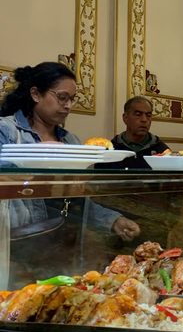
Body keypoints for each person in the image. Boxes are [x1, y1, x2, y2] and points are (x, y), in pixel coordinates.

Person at [0, 62, 140, 284]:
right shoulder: (7, 131)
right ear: (35, 94)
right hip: (15, 250)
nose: (68, 106)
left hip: (60, 250)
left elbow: (75, 201)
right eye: (62, 97)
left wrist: (112, 220)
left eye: (72, 99)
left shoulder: (71, 141)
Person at [111, 96, 169, 169]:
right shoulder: (111, 150)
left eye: (148, 115)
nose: (144, 119)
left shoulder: (161, 151)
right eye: (138, 114)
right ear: (125, 118)